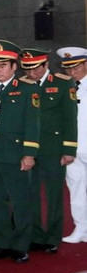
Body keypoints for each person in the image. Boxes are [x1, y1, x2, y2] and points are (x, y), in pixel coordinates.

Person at [0, 40, 40, 264]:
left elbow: (33, 124)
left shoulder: (27, 89)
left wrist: (29, 153)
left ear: (15, 66)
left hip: (16, 155)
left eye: (3, 66)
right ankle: (3, 244)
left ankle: (21, 245)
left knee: (21, 201)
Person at [20, 48, 77, 253]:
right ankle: (36, 235)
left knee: (53, 195)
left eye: (35, 69)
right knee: (30, 193)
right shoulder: (23, 85)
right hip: (29, 149)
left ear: (45, 65)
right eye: (27, 69)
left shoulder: (62, 83)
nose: (31, 73)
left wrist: (69, 148)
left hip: (53, 148)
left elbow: (70, 118)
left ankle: (53, 236)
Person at [57, 47, 87, 242]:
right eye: (68, 69)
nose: (72, 72)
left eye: (76, 67)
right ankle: (81, 228)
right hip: (72, 147)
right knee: (75, 187)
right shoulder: (65, 87)